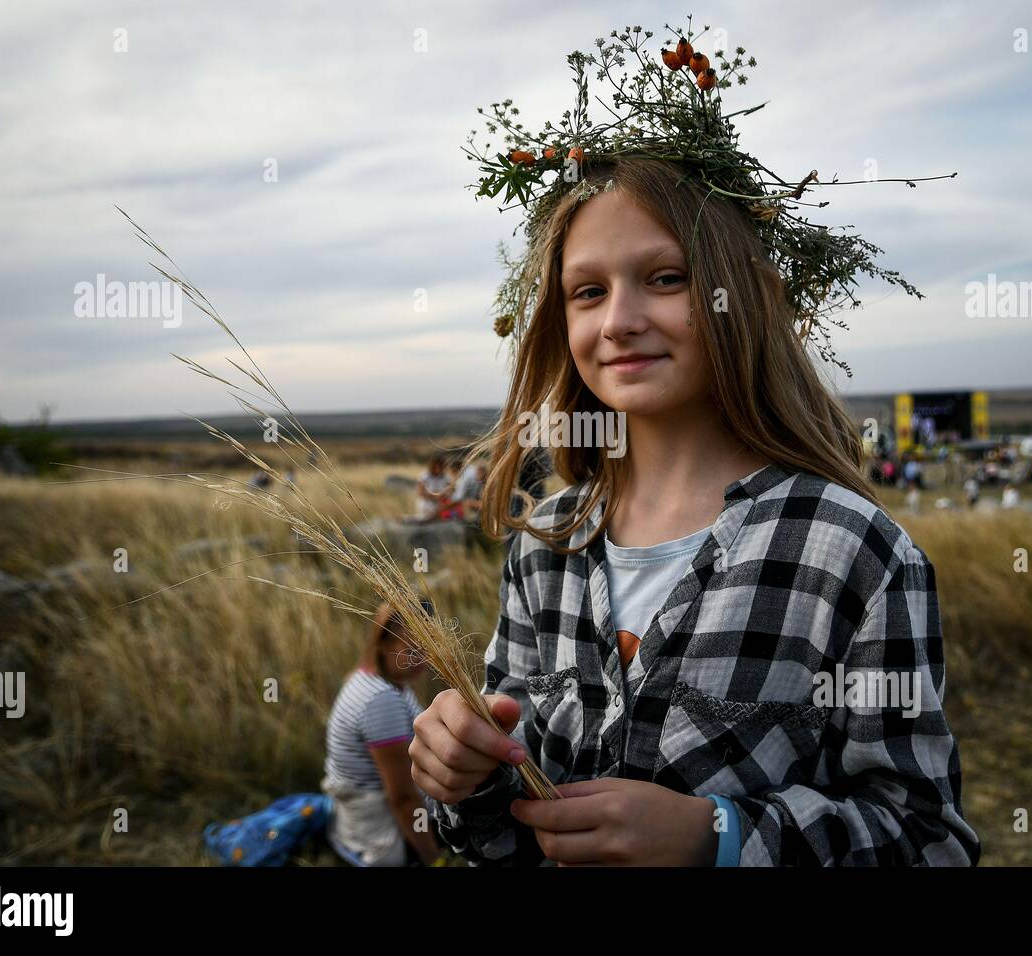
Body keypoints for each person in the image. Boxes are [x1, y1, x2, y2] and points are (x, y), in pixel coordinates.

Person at [409, 38, 979, 867]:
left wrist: (717, 837)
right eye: (588, 291)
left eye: (666, 279)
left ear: (735, 297)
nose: (620, 320)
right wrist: (464, 779)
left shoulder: (848, 551)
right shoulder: (546, 545)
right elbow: (502, 838)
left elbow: (930, 842)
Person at [323, 600, 444, 867]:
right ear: (384, 644)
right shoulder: (380, 701)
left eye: (428, 645)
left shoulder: (376, 678)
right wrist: (435, 860)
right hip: (385, 824)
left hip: (357, 818)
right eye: (412, 650)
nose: (423, 658)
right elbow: (401, 798)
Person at [412, 454, 452, 522]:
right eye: (439, 466)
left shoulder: (446, 478)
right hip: (426, 504)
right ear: (433, 466)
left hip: (440, 505)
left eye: (443, 467)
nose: (441, 469)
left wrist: (443, 495)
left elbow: (449, 492)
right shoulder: (424, 476)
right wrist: (434, 496)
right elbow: (420, 493)